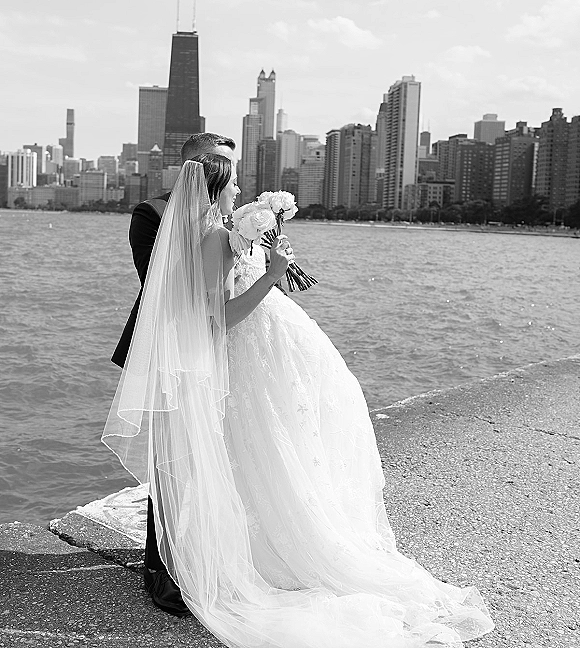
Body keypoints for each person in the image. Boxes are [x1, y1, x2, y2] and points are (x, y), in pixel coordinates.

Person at [103, 156, 495, 647]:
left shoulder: (229, 231)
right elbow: (215, 320)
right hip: (248, 354)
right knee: (262, 449)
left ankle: (274, 543)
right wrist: (273, 275)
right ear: (215, 192)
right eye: (235, 183)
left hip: (266, 353)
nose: (242, 188)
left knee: (276, 448)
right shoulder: (211, 240)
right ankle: (265, 553)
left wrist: (269, 259)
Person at [110, 133, 236, 617]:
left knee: (213, 457)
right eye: (219, 164)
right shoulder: (152, 213)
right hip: (173, 350)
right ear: (194, 165)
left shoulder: (230, 215)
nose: (228, 175)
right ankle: (162, 571)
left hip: (219, 348)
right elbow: (160, 284)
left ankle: (208, 557)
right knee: (170, 464)